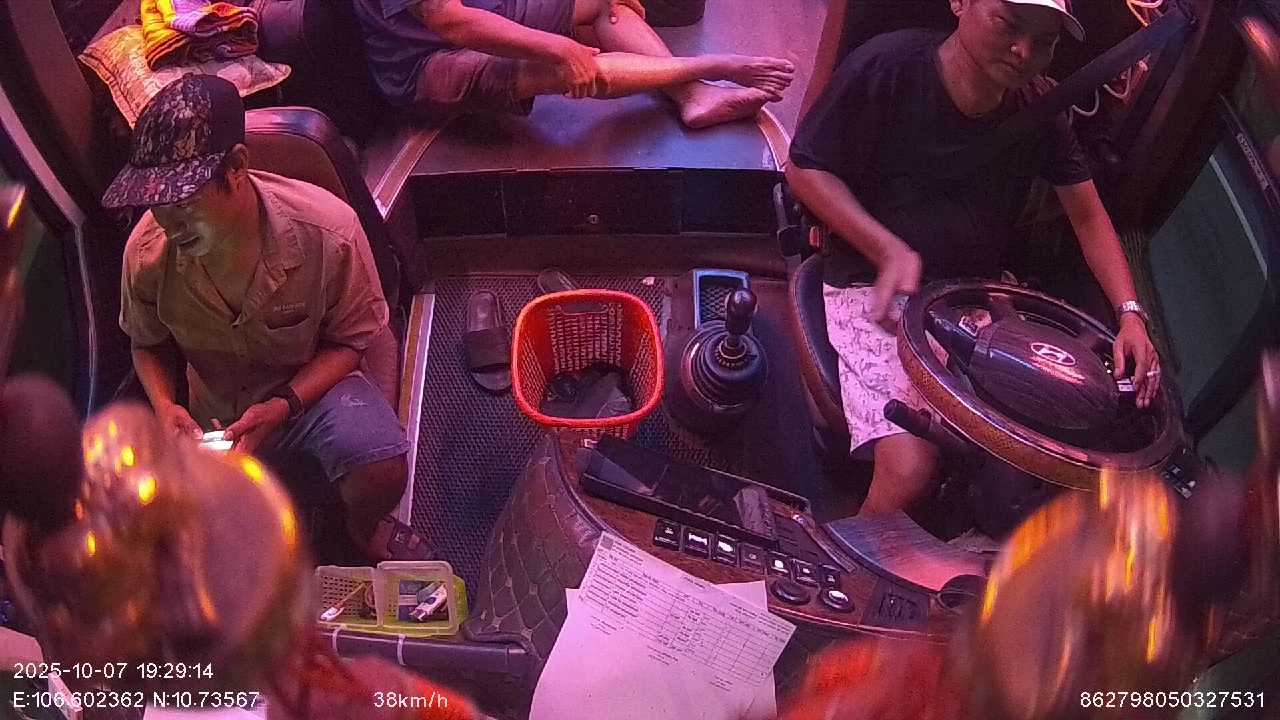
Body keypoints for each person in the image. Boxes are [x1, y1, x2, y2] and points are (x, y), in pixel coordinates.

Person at [786, 0, 1161, 516]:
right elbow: (804, 170)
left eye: (1044, 41)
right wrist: (886, 248)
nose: (1023, 51)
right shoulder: (887, 68)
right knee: (910, 470)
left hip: (972, 297)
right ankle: (842, 551)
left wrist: (1130, 314)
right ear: (960, 4)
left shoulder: (1041, 111)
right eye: (1008, 24)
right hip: (871, 285)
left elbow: (1089, 218)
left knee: (1036, 454)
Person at [102, 75, 411, 561]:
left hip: (309, 391)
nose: (170, 224)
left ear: (237, 167)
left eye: (184, 202)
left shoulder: (329, 232)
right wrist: (165, 407)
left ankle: (358, 531)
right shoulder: (145, 254)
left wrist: (283, 405)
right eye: (156, 204)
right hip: (212, 410)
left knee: (381, 467)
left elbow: (351, 343)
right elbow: (146, 343)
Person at [352, 0, 796, 128]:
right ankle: (712, 67)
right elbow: (451, 21)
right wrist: (557, 46)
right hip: (426, 65)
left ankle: (694, 97)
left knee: (603, 4)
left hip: (475, 10)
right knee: (569, 66)